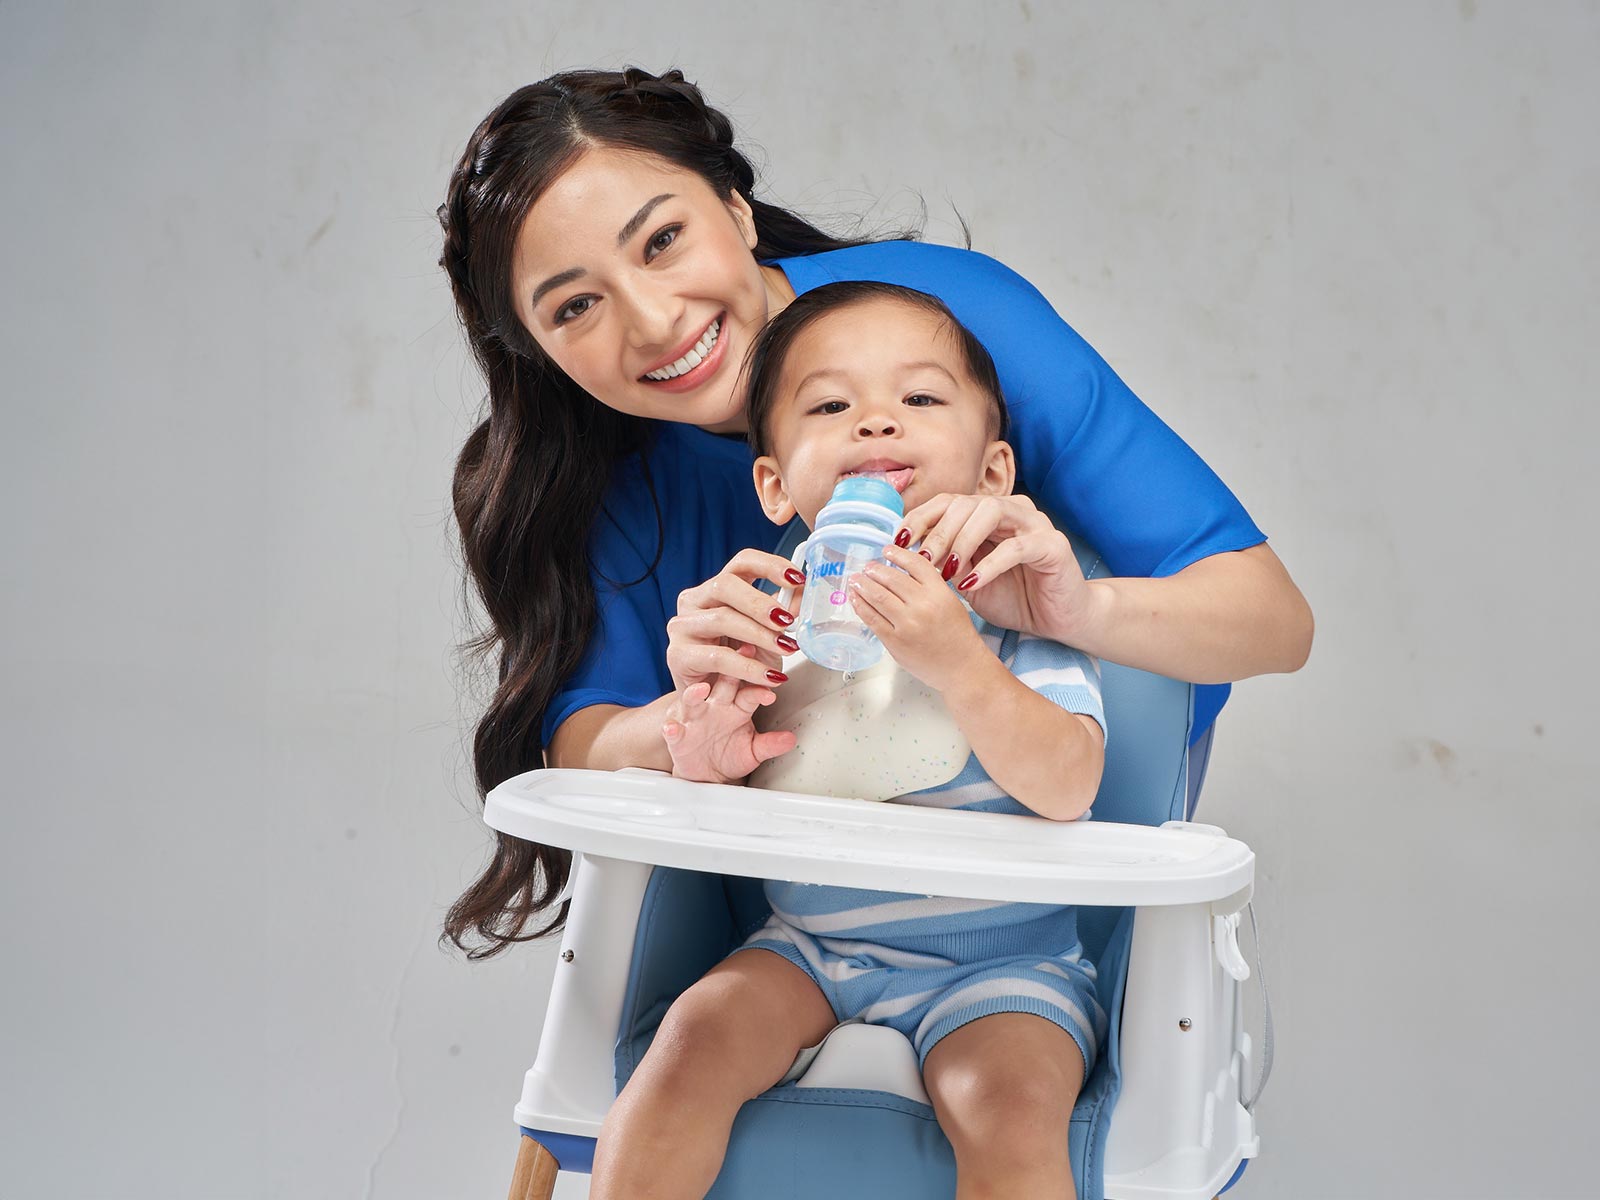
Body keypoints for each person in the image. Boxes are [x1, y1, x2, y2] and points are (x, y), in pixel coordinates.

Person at [436, 66, 1313, 956]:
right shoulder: (604, 472)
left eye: (662, 240)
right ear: (539, 349)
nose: (655, 321)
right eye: (576, 305)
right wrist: (682, 711)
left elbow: (1272, 621)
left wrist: (1074, 613)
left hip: (1065, 850)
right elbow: (581, 743)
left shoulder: (947, 330)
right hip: (804, 893)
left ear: (735, 210)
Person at [598, 280, 1108, 1198]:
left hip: (1003, 964)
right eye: (832, 406)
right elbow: (727, 799)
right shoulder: (766, 620)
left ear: (993, 473)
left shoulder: (1016, 614)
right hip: (807, 945)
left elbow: (1069, 784)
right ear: (774, 484)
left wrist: (962, 664)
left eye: (917, 399)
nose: (875, 424)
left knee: (1011, 1111)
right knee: (686, 1047)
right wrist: (709, 755)